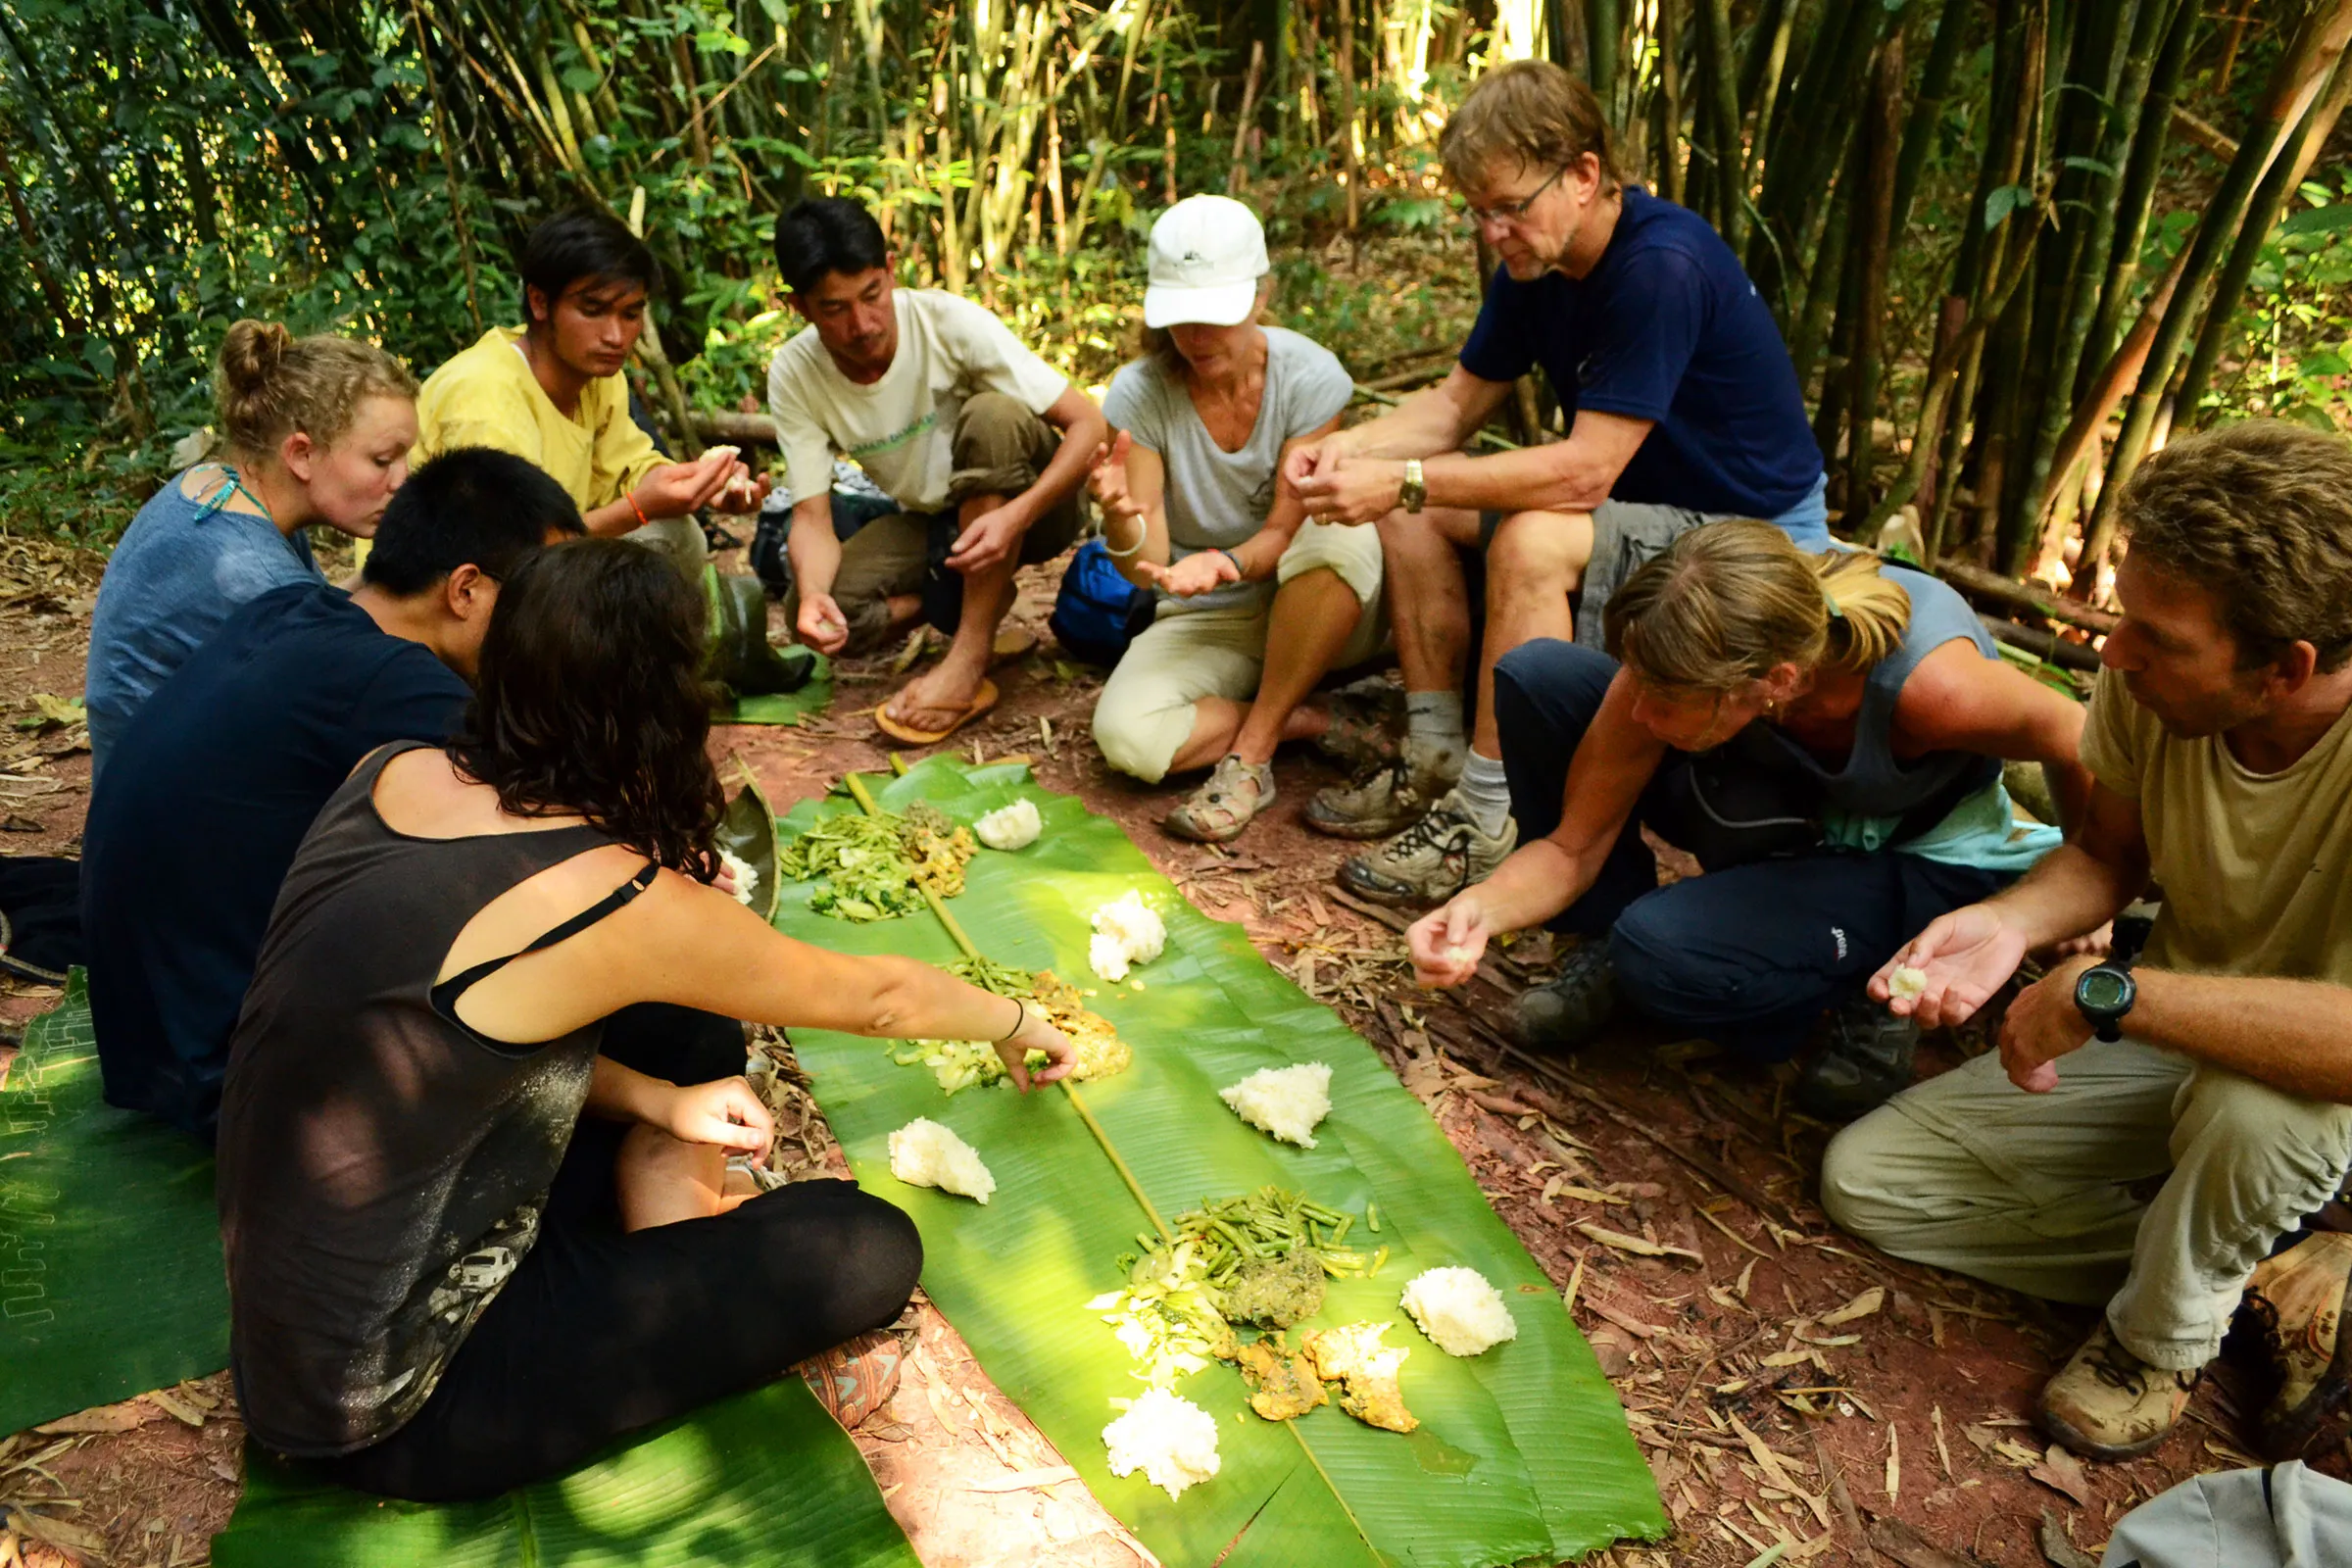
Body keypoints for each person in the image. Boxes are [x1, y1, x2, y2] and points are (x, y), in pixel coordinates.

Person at [215, 538, 1078, 1502]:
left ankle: (656, 1249)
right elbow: (879, 997)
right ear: (663, 707)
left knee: (683, 1032)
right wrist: (1012, 1019)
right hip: (404, 1400)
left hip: (303, 1323)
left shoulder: (393, 768)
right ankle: (667, 1269)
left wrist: (663, 1103)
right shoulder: (618, 898)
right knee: (863, 1242)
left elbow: (449, 1045)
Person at [1821, 421, 2352, 1464]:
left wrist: (2116, 996)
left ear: (2284, 667)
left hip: (2309, 1083)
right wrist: (2008, 920)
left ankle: (2155, 1338)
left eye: (2158, 638)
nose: (2114, 653)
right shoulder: (2158, 689)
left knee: (2248, 1119)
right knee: (1870, 1179)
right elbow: (2110, 854)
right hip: (2181, 1021)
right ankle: (2264, 1259)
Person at [1284, 60, 1830, 907]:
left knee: (1529, 533)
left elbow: (1583, 471)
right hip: (1641, 511)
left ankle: (1489, 815)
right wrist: (1348, 453)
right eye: (1481, 213)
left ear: (1582, 175)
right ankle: (1433, 754)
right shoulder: (1534, 271)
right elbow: (1457, 403)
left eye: (1510, 207)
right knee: (1414, 513)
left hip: (1749, 539)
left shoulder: (1660, 266)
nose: (1495, 232)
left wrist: (1410, 478)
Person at [1407, 521, 2088, 1121]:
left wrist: (2082, 889)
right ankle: (1610, 944)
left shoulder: (1932, 689)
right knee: (1543, 678)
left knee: (1663, 955)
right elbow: (1572, 846)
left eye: (1665, 699)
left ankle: (1870, 980)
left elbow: (2074, 733)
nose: (1638, 714)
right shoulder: (1701, 645)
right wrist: (1479, 911)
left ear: (1779, 682)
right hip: (1804, 818)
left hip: (1917, 858)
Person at [83, 448, 584, 1141]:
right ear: (466, 590)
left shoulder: (293, 609)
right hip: (235, 1080)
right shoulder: (399, 686)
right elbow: (564, 834)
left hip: (148, 1042)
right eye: (545, 601)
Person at [1085, 195, 1387, 842]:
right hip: (1211, 617)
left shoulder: (1308, 377)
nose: (1195, 338)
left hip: (1309, 596)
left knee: (1335, 522)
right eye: (1180, 317)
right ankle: (1303, 719)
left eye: (1213, 315)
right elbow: (1148, 567)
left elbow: (1284, 531)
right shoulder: (1140, 394)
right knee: (1127, 738)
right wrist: (1118, 519)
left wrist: (1223, 561)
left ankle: (1250, 755)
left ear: (1259, 297)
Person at [768, 197, 1107, 743]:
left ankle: (968, 657)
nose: (862, 324)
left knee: (993, 413)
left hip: (1035, 508)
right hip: (938, 524)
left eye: (872, 295)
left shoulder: (948, 322)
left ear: (891, 271)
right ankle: (976, 598)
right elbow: (812, 518)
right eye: (834, 309)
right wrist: (812, 596)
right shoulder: (795, 373)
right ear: (799, 307)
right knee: (819, 613)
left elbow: (1089, 425)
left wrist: (1017, 516)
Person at [85, 320, 417, 770]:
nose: (403, 479)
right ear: (301, 454)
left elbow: (321, 612)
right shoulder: (250, 570)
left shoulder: (221, 485)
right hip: (175, 802)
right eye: (383, 460)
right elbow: (349, 674)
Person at [410, 209, 763, 576]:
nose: (615, 337)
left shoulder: (596, 374)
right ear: (540, 302)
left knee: (678, 532)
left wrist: (704, 484)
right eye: (593, 310)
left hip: (539, 565)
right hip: (457, 595)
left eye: (630, 315)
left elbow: (630, 467)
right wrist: (638, 509)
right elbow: (506, 552)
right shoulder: (485, 393)